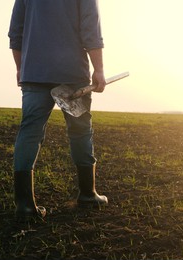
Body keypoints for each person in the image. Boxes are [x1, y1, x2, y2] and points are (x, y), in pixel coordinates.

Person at [8, 0, 108, 221]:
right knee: (80, 131)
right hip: (71, 75)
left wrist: (20, 68)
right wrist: (99, 69)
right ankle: (88, 194)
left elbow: (15, 33)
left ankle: (24, 206)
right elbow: (91, 29)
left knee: (30, 132)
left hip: (34, 73)